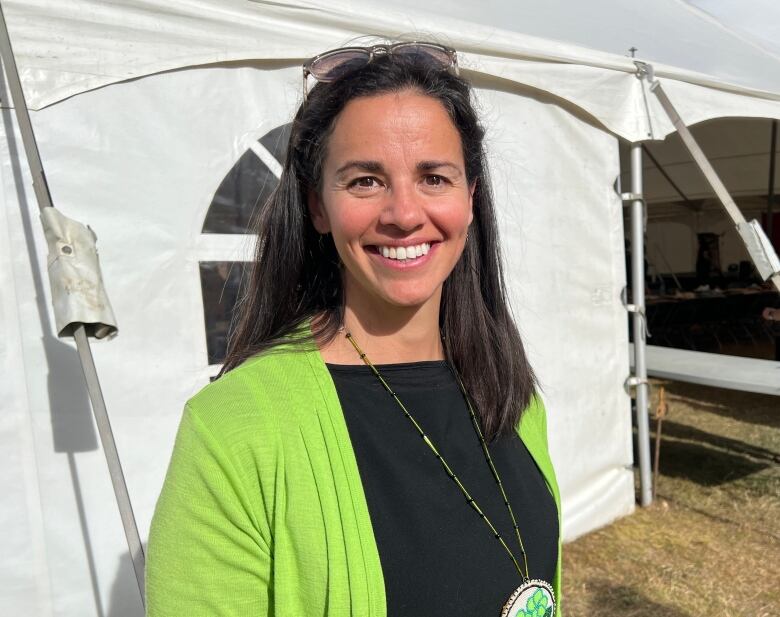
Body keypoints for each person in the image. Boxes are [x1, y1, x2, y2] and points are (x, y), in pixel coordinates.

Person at [145, 41, 562, 617]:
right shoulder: (233, 431)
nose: (403, 213)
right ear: (319, 207)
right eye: (365, 180)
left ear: (469, 198)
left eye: (434, 177)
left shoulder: (511, 391)